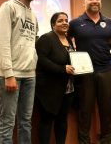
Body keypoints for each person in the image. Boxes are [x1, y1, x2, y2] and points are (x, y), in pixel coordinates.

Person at [0, 0, 42, 144]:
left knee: (25, 122)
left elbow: (33, 43)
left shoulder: (33, 15)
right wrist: (8, 73)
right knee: (7, 122)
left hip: (30, 75)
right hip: (12, 74)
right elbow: (2, 42)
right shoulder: (8, 7)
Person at [68, 0, 111, 144]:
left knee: (106, 110)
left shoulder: (109, 22)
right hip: (85, 73)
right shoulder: (75, 23)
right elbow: (64, 42)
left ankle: (106, 141)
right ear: (84, 2)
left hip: (106, 71)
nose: (94, 1)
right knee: (85, 111)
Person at [35, 12, 75, 144]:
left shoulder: (68, 40)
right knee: (46, 121)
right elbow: (41, 60)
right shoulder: (46, 38)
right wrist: (62, 69)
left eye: (66, 20)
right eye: (60, 21)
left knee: (62, 121)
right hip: (49, 89)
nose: (64, 23)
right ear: (53, 25)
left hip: (67, 88)